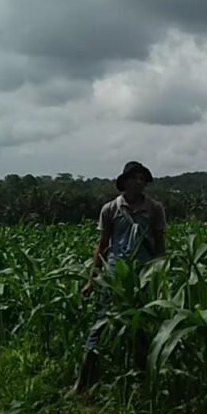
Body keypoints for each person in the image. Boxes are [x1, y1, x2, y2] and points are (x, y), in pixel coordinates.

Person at [73, 161, 167, 393]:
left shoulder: (154, 209)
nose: (140, 181)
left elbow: (160, 246)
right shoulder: (110, 209)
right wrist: (91, 280)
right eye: (135, 177)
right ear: (124, 182)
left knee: (142, 328)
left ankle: (140, 381)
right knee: (100, 324)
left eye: (143, 178)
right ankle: (83, 381)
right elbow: (103, 245)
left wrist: (160, 277)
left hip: (143, 277)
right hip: (113, 276)